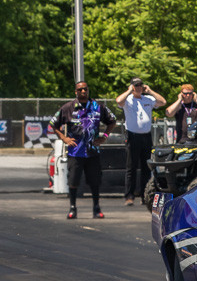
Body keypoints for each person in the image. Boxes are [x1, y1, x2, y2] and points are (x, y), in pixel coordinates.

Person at [50, 81, 116, 219]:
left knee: (95, 181)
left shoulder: (98, 107)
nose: (83, 92)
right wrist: (64, 138)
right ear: (76, 92)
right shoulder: (68, 108)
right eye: (80, 90)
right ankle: (72, 208)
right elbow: (53, 124)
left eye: (85, 89)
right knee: (73, 181)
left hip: (93, 151)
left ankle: (96, 208)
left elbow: (112, 121)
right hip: (75, 152)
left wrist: (104, 136)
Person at [116, 77, 166, 205]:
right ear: (132, 87)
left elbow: (162, 102)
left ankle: (145, 196)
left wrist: (150, 91)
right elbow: (118, 101)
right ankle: (129, 196)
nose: (138, 88)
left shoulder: (148, 99)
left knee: (146, 167)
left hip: (146, 136)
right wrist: (129, 91)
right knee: (131, 167)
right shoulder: (128, 99)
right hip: (133, 136)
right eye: (136, 85)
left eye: (140, 85)